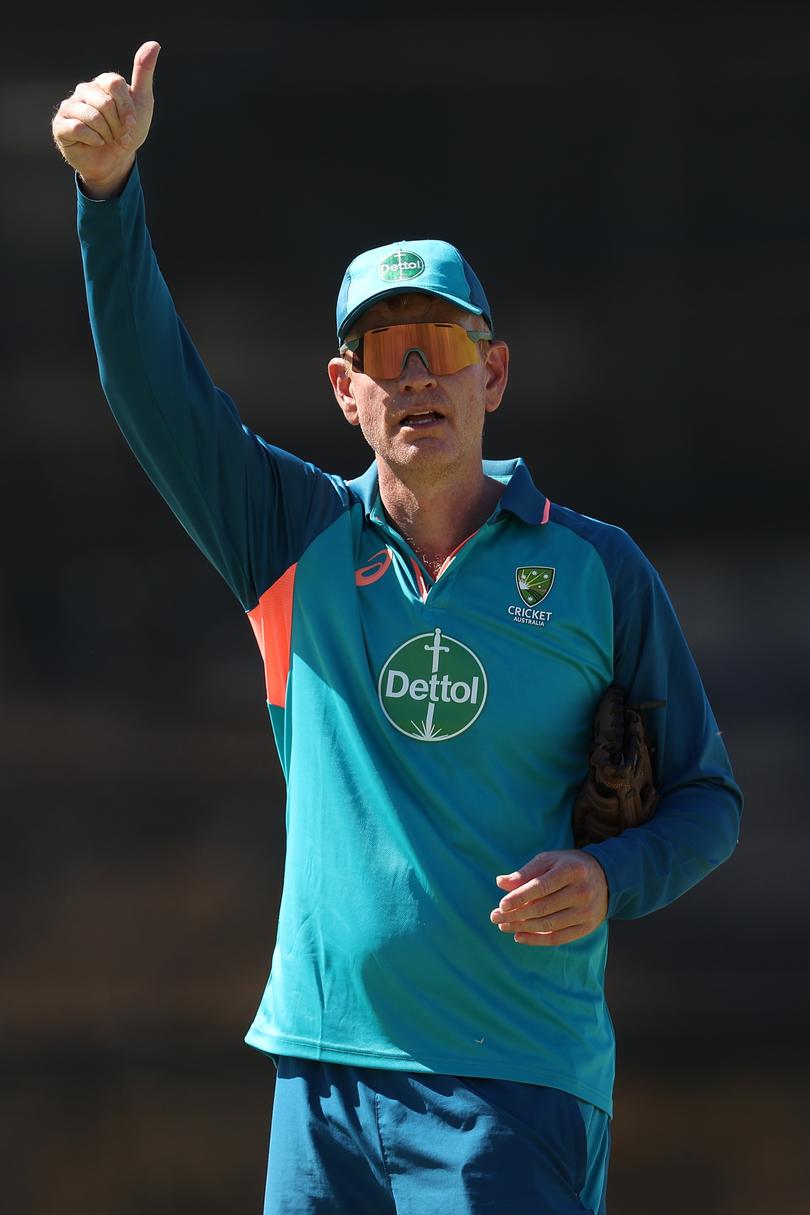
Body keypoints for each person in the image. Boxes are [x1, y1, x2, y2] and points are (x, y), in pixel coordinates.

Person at [51, 41, 742, 1215]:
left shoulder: (598, 570)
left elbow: (709, 804)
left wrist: (611, 872)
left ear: (496, 373)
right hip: (319, 1081)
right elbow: (155, 394)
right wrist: (108, 199)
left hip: (513, 1084)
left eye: (449, 345)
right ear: (343, 388)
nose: (420, 373)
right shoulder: (291, 536)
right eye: (385, 350)